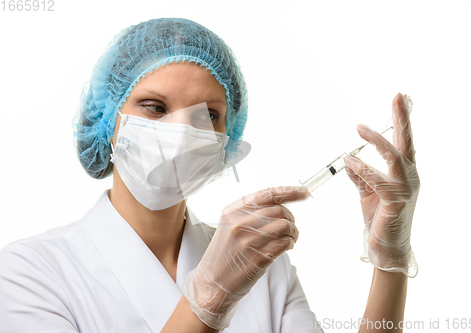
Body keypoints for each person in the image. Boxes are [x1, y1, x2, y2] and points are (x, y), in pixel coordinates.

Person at [0, 18, 420, 333]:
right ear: (107, 121)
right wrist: (208, 299)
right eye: (154, 106)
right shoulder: (28, 272)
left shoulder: (263, 267)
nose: (182, 132)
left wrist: (390, 262)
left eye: (207, 115)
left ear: (226, 139)